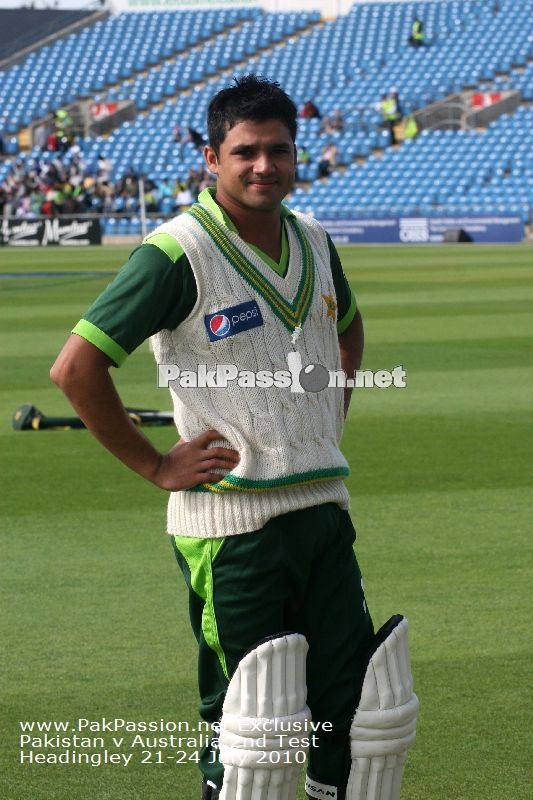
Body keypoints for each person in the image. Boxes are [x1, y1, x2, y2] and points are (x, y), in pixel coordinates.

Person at [50, 75, 417, 800]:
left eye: (277, 150)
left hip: (321, 508)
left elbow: (346, 331)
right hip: (233, 527)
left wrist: (319, 424)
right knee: (254, 724)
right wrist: (156, 465)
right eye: (244, 151)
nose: (263, 166)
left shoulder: (312, 236)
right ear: (212, 158)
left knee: (358, 713)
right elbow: (75, 368)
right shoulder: (176, 251)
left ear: (294, 154)